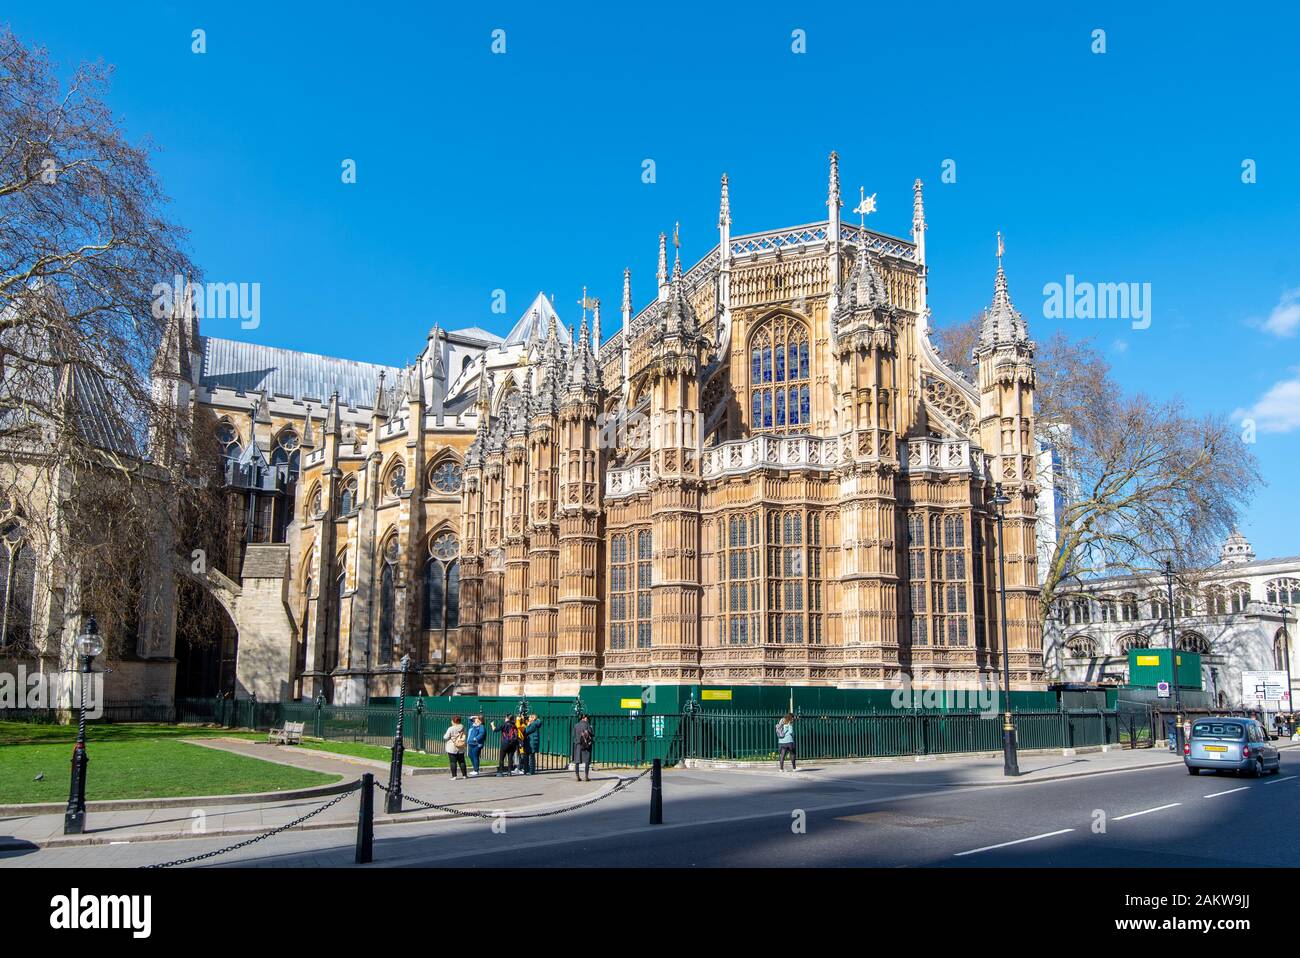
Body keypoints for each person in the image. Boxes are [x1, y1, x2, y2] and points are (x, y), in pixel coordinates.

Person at [443, 715, 468, 780]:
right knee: (462, 761)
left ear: (453, 721)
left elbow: (446, 737)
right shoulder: (463, 728)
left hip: (452, 747)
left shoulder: (451, 728)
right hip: (461, 746)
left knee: (453, 762)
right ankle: (464, 775)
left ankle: (454, 776)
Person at [572, 713, 595, 781]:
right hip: (586, 745)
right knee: (587, 761)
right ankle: (586, 776)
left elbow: (573, 735)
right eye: (587, 718)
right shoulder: (588, 725)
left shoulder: (576, 725)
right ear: (585, 718)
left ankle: (577, 776)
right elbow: (592, 733)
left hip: (578, 745)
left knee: (577, 761)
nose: (587, 719)